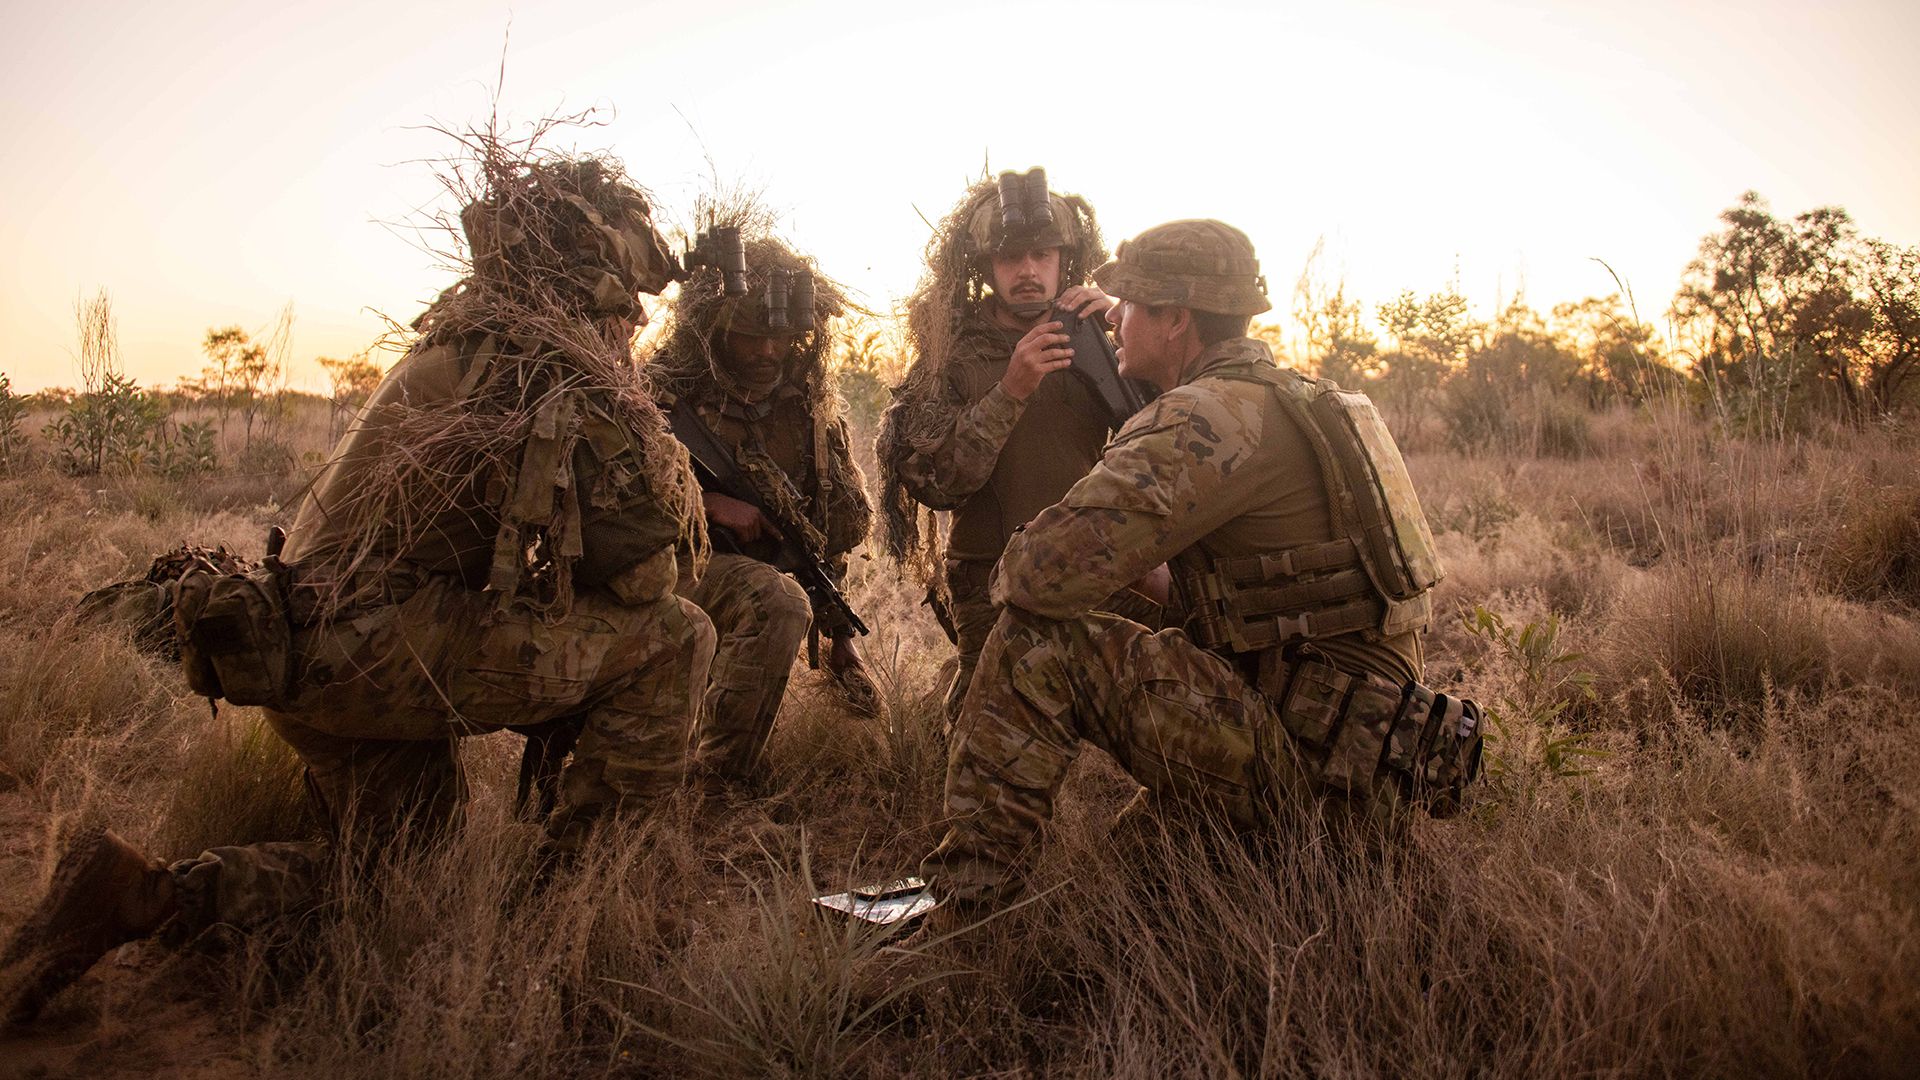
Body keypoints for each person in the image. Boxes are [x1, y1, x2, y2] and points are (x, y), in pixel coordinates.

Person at [1, 154, 717, 1024]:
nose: (634, 324)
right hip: (379, 650)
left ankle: (147, 894)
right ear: (593, 288)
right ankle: (571, 903)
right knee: (678, 635)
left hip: (306, 648)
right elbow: (646, 573)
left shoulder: (453, 349)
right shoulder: (539, 369)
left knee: (389, 872)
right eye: (626, 305)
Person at [918, 220, 1483, 912]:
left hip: (1300, 756)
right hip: (1358, 755)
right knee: (1123, 900)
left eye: (1130, 305)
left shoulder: (1202, 416)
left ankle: (965, 912)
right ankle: (1298, 862)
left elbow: (1030, 578)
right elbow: (1262, 593)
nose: (1115, 319)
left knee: (1033, 642)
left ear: (1176, 320)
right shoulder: (1307, 399)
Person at [877, 169, 1152, 728]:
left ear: (1064, 260)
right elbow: (938, 485)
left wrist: (1125, 326)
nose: (1028, 271)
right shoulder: (948, 350)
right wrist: (1011, 390)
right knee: (996, 733)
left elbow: (1168, 428)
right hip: (992, 576)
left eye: (1042, 254)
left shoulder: (1096, 334)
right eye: (1010, 258)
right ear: (986, 266)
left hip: (1096, 562)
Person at [645, 229, 875, 787]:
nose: (769, 351)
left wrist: (839, 636)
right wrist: (705, 504)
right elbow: (613, 496)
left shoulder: (803, 407)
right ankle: (719, 781)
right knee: (774, 601)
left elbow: (814, 532)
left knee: (782, 590)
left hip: (752, 569)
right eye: (751, 337)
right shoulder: (661, 394)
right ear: (715, 331)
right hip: (666, 567)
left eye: (782, 337)